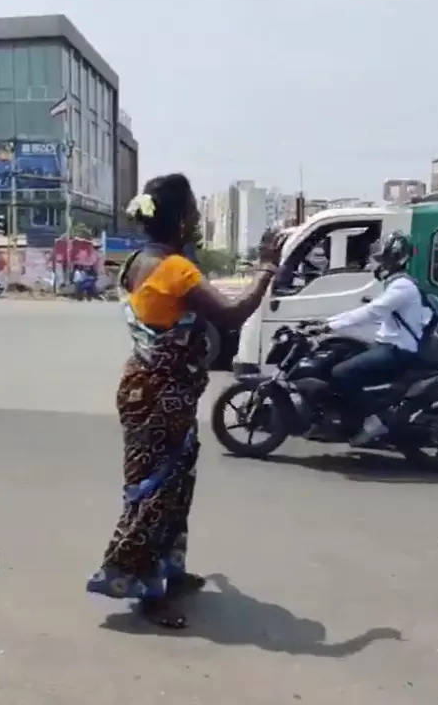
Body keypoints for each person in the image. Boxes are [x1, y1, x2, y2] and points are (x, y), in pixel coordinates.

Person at [86, 173, 284, 628]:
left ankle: (169, 571)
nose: (197, 217)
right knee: (158, 491)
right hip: (163, 395)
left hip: (145, 387)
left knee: (173, 482)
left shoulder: (137, 261)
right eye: (193, 210)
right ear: (178, 218)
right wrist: (267, 270)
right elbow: (233, 313)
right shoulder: (177, 269)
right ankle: (145, 590)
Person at [322, 231, 429, 446]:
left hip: (397, 350)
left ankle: (373, 421)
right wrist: (324, 322)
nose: (377, 265)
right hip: (388, 345)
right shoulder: (397, 284)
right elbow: (368, 311)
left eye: (382, 260)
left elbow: (372, 312)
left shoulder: (402, 287)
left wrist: (330, 325)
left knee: (341, 373)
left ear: (395, 260)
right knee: (341, 355)